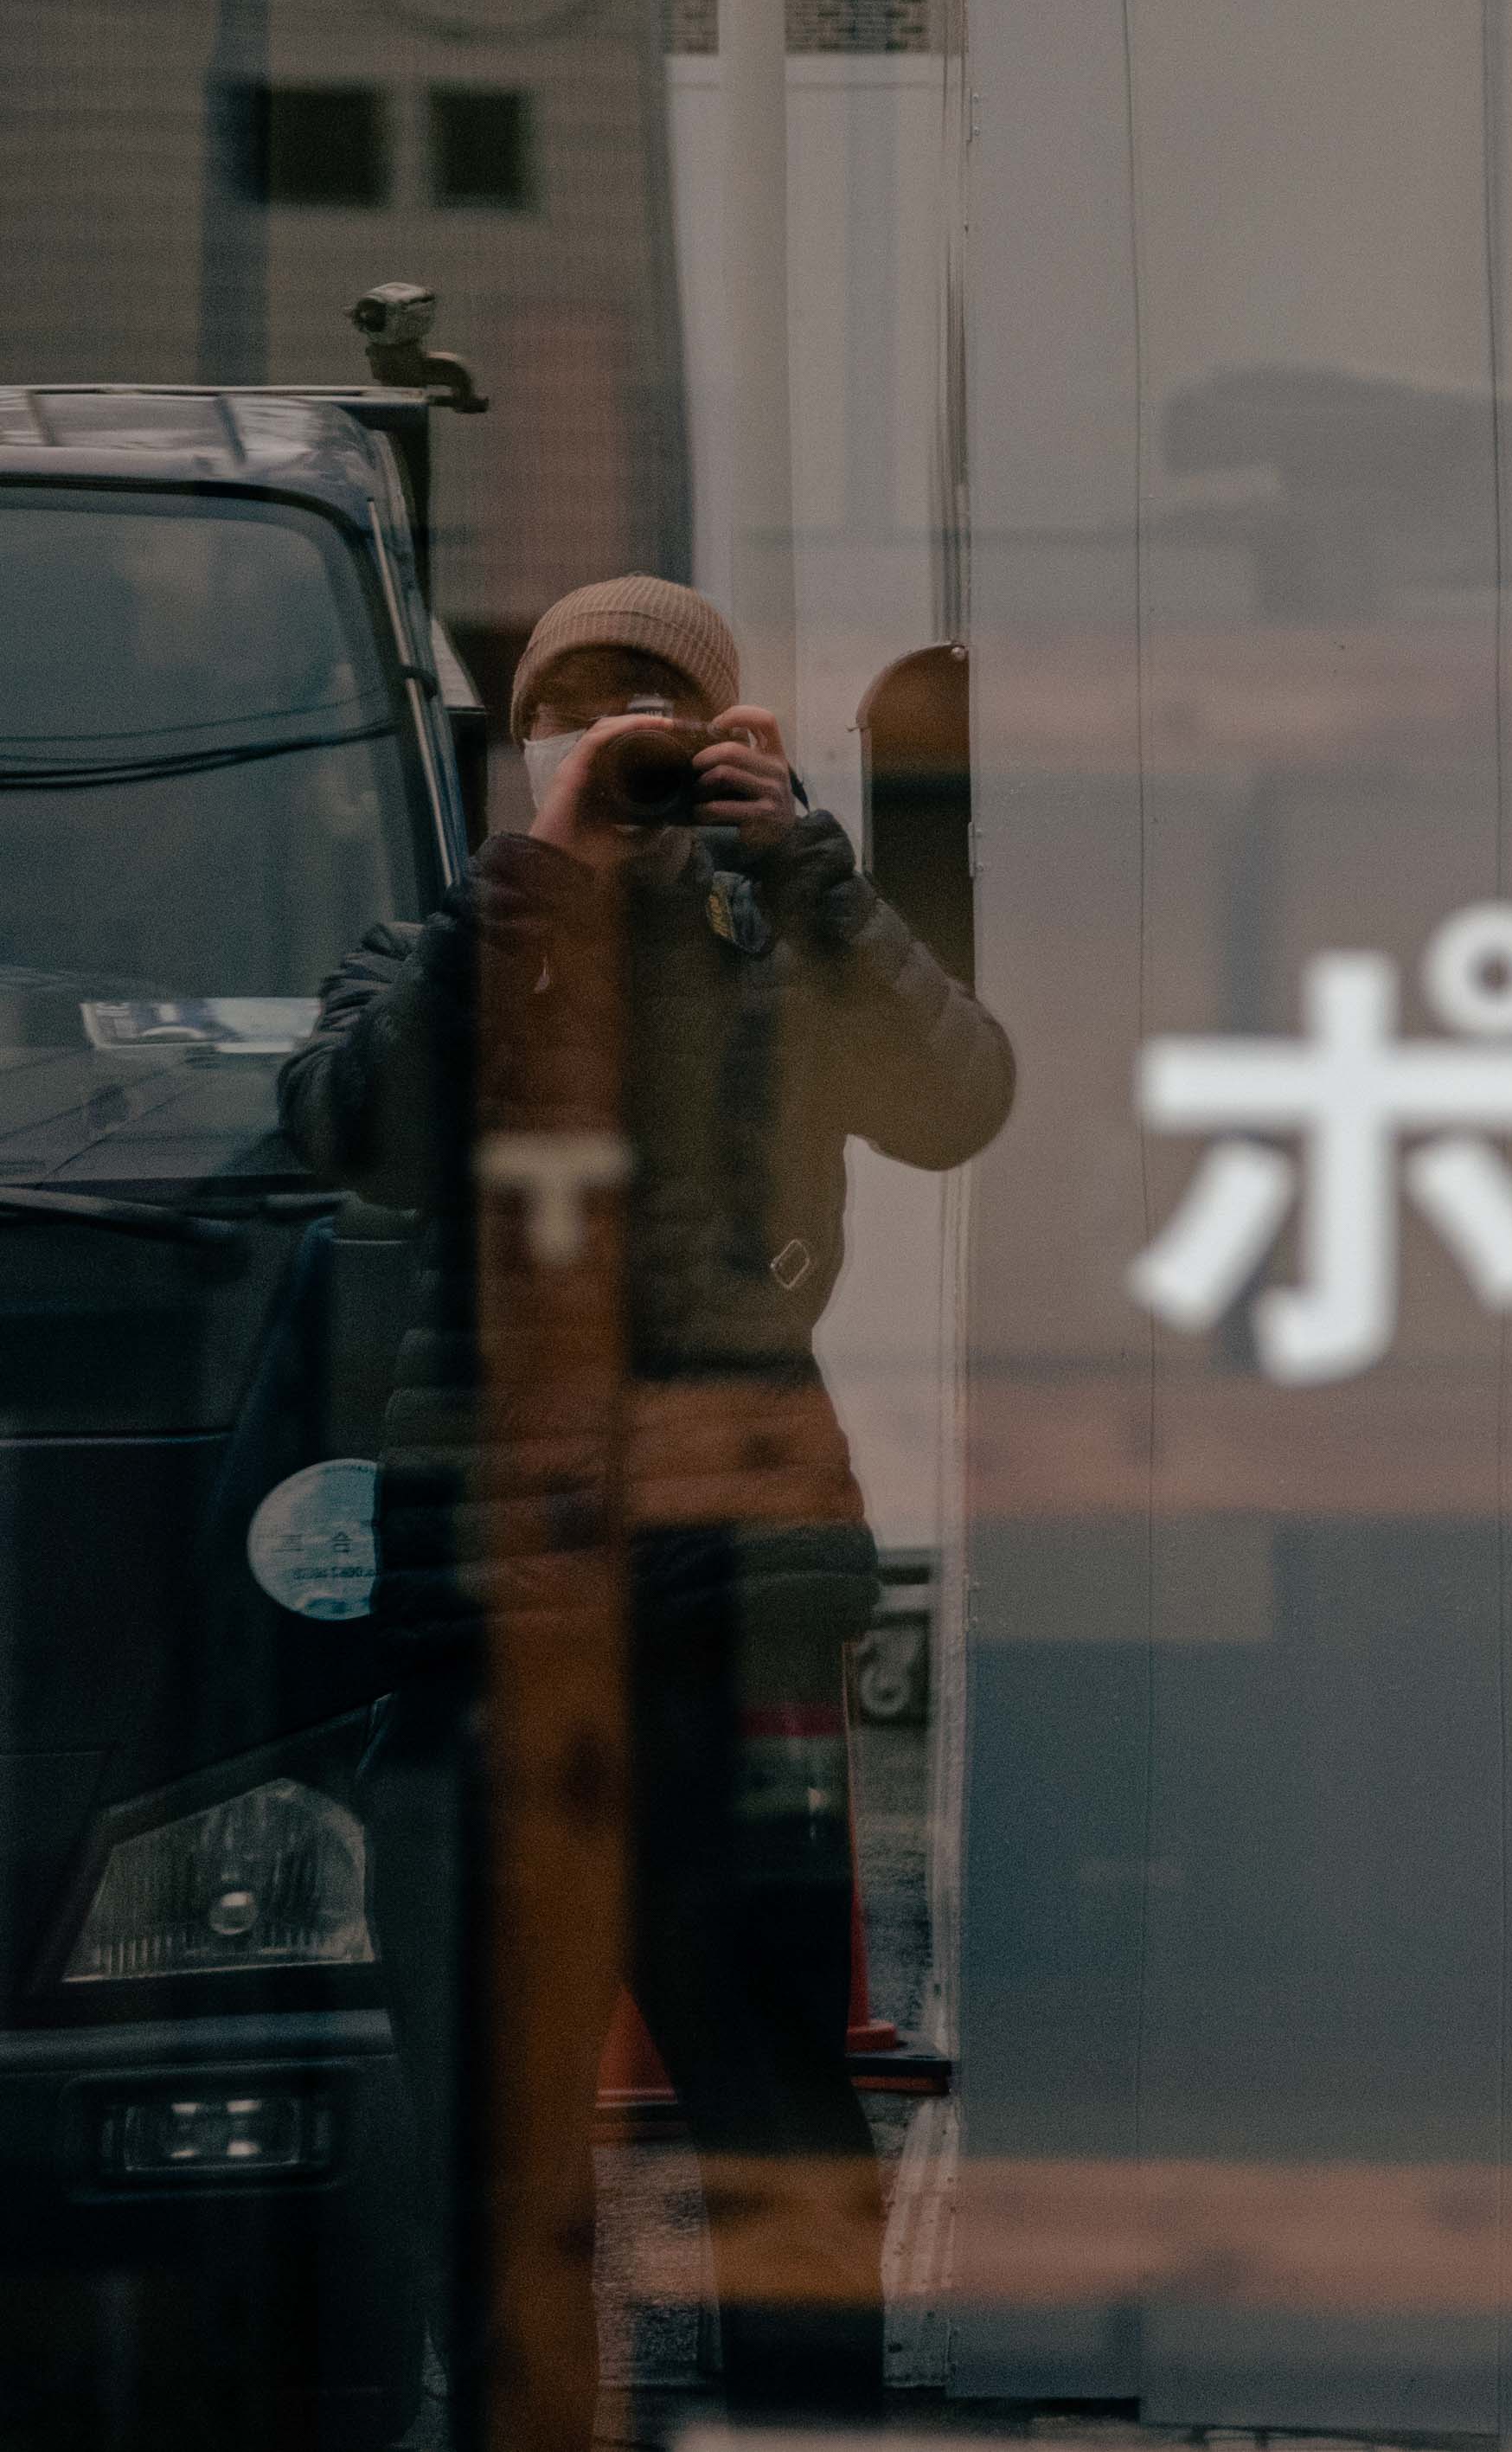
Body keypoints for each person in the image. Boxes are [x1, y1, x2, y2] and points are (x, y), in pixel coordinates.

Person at [278, 574, 1014, 2439]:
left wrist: (820, 875)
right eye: (573, 705)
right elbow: (349, 1125)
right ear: (526, 742)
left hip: (731, 1597)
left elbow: (958, 1101)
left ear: (719, 734)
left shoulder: (780, 934)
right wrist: (540, 875)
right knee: (490, 2128)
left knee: (768, 2097)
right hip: (478, 1628)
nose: (608, 733)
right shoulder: (445, 936)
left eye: (649, 706)